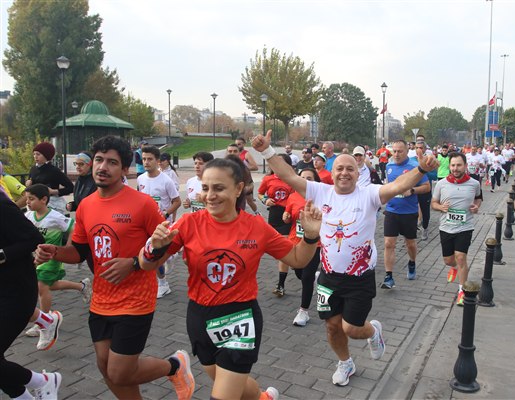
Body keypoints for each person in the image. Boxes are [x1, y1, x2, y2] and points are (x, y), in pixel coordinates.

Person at [251, 130, 439, 387]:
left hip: (359, 277)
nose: (344, 173)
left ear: (358, 172)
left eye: (350, 168)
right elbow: (288, 175)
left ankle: (373, 331)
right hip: (329, 277)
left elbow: (398, 186)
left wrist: (421, 169)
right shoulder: (320, 192)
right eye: (339, 168)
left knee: (352, 328)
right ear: (333, 171)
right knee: (332, 326)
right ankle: (345, 362)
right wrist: (266, 150)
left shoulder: (369, 194)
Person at [139, 157, 323, 400]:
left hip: (240, 317)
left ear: (238, 189)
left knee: (225, 392)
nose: (210, 196)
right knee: (228, 381)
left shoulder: (256, 227)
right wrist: (154, 247)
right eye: (206, 188)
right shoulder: (188, 223)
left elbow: (298, 259)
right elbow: (146, 265)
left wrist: (310, 237)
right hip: (199, 316)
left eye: (219, 188)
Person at [33, 135, 195, 400]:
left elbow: (166, 246)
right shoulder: (86, 205)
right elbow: (79, 252)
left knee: (120, 372)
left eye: (112, 162)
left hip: (136, 301)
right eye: (99, 160)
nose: (102, 167)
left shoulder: (143, 204)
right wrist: (55, 252)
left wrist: (133, 264)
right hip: (101, 299)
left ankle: (174, 366)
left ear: (125, 170)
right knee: (106, 368)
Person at [0, 191, 63, 399]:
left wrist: (2, 255)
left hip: (15, 292)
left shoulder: (2, 206)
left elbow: (34, 238)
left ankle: (44, 381)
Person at [22, 184, 91, 347]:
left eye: (31, 199)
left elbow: (73, 226)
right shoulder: (28, 215)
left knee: (42, 287)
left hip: (51, 257)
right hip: (35, 257)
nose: (28, 202)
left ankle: (44, 322)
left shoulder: (55, 216)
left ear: (44, 199)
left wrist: (68, 247)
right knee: (49, 285)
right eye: (27, 199)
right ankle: (81, 286)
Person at [431, 153, 483, 305]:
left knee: (461, 257)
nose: (455, 168)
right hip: (446, 227)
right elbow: (433, 203)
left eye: (459, 165)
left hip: (465, 226)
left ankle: (462, 290)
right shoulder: (441, 184)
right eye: (453, 165)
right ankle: (453, 267)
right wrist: (440, 207)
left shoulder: (474, 184)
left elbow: (478, 198)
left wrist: (476, 207)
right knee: (448, 260)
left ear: (465, 166)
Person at [382, 141, 431, 288]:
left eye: (400, 151)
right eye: (394, 151)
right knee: (389, 244)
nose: (396, 154)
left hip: (409, 212)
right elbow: (388, 185)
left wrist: (412, 190)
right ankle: (388, 276)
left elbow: (427, 187)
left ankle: (412, 262)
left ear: (407, 151)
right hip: (391, 210)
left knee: (410, 244)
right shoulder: (389, 166)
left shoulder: (415, 167)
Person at [138, 145, 182, 298]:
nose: (146, 162)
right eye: (144, 159)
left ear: (157, 161)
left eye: (149, 159)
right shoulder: (140, 179)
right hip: (145, 223)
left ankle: (163, 284)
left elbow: (177, 201)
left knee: (155, 254)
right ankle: (169, 258)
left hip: (162, 225)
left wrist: (165, 213)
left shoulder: (166, 181)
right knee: (147, 254)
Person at [282, 168, 322, 326]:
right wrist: (286, 217)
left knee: (306, 277)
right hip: (296, 242)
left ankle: (303, 311)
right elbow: (288, 217)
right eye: (302, 177)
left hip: (315, 243)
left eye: (309, 178)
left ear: (315, 181)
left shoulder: (321, 198)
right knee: (299, 272)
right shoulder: (293, 196)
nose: (305, 181)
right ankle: (315, 278)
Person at [258, 154, 294, 297]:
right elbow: (260, 193)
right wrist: (265, 200)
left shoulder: (293, 179)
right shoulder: (268, 179)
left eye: (281, 162)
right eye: (275, 162)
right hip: (273, 214)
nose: (277, 165)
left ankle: (281, 284)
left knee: (283, 252)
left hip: (286, 216)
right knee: (265, 247)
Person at [26, 142, 74, 213]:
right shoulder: (33, 169)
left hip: (51, 204)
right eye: (34, 154)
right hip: (35, 204)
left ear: (46, 156)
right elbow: (29, 186)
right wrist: (28, 184)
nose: (35, 156)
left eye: (38, 154)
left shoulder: (54, 171)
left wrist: (54, 191)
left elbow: (70, 187)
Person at [232, 140, 260, 215]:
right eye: (236, 144)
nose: (237, 145)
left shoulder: (246, 154)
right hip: (234, 182)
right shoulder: (229, 158)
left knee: (249, 201)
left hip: (246, 181)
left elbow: (255, 167)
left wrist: (242, 168)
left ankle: (257, 213)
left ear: (243, 144)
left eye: (239, 144)